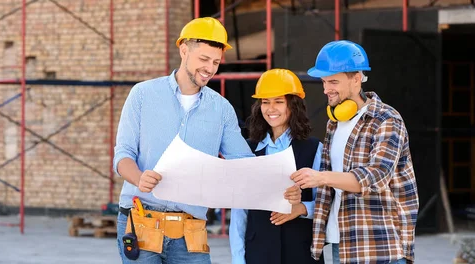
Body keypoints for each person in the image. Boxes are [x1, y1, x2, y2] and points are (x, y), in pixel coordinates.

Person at [113, 17, 302, 264]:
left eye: (216, 62)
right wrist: (139, 178)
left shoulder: (221, 109)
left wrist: (283, 187)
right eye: (204, 59)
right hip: (140, 222)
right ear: (183, 50)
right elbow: (123, 154)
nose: (210, 68)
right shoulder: (143, 95)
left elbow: (244, 163)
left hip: (191, 230)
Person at [290, 40, 419, 264]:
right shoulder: (335, 123)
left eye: (333, 81)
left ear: (356, 78)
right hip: (343, 242)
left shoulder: (386, 119)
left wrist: (320, 177)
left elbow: (375, 176)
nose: (325, 89)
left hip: (379, 246)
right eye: (323, 82)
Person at [229, 69, 324, 264]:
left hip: (301, 253)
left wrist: (301, 208)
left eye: (279, 101)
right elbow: (239, 212)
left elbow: (325, 204)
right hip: (258, 253)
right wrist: (238, 259)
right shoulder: (247, 150)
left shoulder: (314, 149)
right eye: (265, 102)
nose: (271, 109)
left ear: (293, 105)